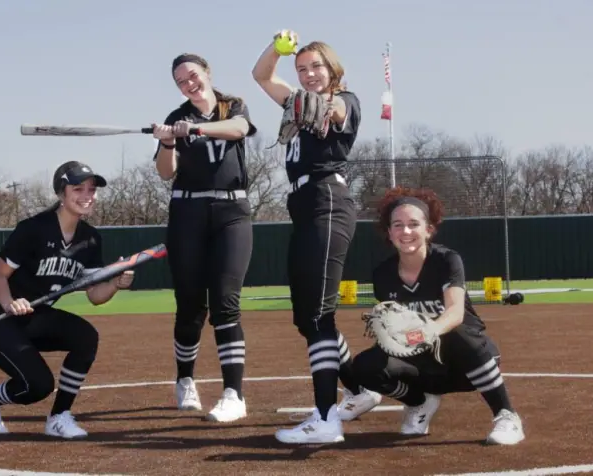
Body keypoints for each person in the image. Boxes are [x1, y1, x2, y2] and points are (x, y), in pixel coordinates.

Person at [252, 30, 381, 444]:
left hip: (328, 201)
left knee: (319, 316)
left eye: (316, 67)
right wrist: (277, 48)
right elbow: (261, 75)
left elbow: (339, 111)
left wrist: (323, 103)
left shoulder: (346, 99)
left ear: (332, 69)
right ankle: (359, 392)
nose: (309, 74)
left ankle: (326, 419)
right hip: (304, 208)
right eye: (302, 68)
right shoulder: (295, 101)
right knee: (305, 318)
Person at [0, 161, 135, 439]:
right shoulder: (33, 229)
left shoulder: (90, 239)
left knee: (86, 337)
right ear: (61, 193)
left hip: (35, 315)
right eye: (78, 189)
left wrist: (115, 283)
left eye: (91, 190)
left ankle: (59, 417)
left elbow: (95, 296)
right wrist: (10, 303)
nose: (87, 195)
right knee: (37, 386)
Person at [350, 186, 525, 445]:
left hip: (468, 362)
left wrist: (426, 331)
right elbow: (395, 331)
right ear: (389, 232)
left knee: (456, 331)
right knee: (365, 366)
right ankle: (419, 403)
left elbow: (454, 312)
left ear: (428, 230)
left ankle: (507, 415)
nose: (405, 231)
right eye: (398, 225)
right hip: (423, 367)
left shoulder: (446, 260)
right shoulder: (382, 275)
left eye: (413, 224)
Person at [151, 53, 257, 423]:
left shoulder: (233, 105)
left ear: (207, 73)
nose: (189, 84)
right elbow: (166, 173)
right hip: (188, 212)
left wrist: (195, 130)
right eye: (181, 81)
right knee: (191, 305)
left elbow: (239, 129)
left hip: (232, 211)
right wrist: (168, 141)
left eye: (193, 75)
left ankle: (233, 394)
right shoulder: (176, 116)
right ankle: (185, 380)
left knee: (226, 301)